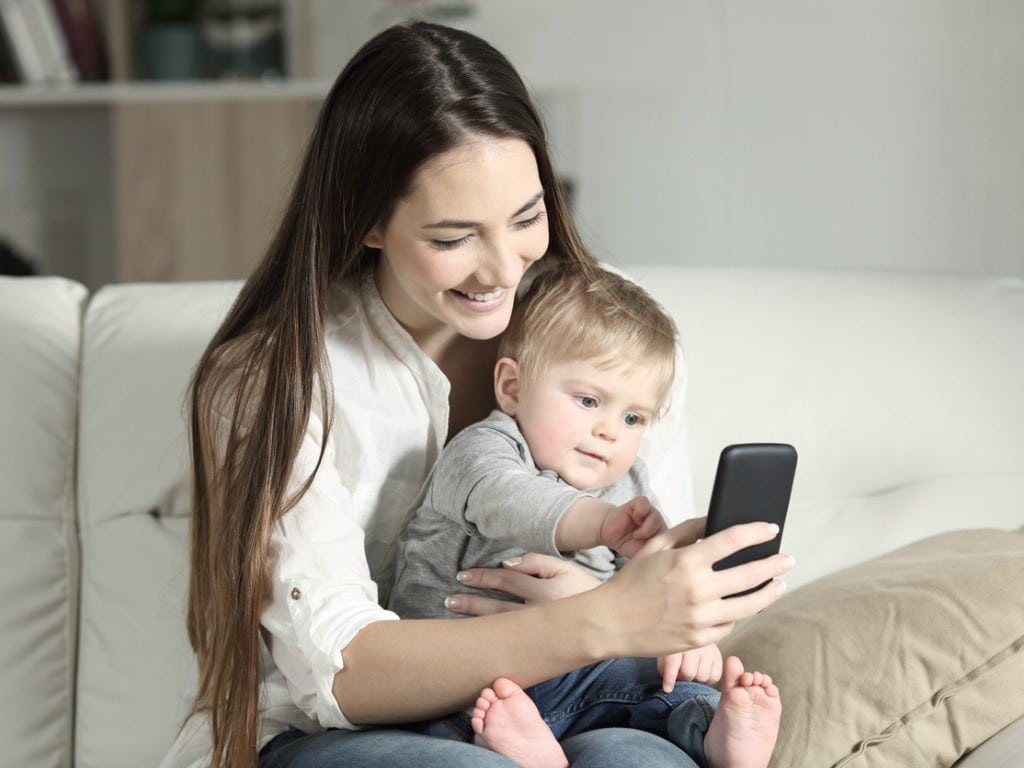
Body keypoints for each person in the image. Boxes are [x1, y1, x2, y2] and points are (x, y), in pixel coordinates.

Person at [161, 20, 793, 768]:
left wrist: (679, 615)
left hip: (578, 702)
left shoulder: (614, 347)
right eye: (454, 237)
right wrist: (598, 620)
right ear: (367, 220)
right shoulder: (275, 378)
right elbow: (340, 674)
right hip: (344, 734)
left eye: (527, 218)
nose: (503, 268)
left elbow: (649, 586)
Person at [389, 267, 781, 768]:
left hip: (583, 680)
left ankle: (711, 733)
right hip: (466, 670)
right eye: (589, 400)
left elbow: (646, 593)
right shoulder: (483, 451)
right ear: (512, 387)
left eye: (633, 417)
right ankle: (514, 746)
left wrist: (688, 640)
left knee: (666, 686)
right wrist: (601, 524)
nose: (610, 431)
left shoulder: (631, 484)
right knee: (468, 709)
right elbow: (505, 500)